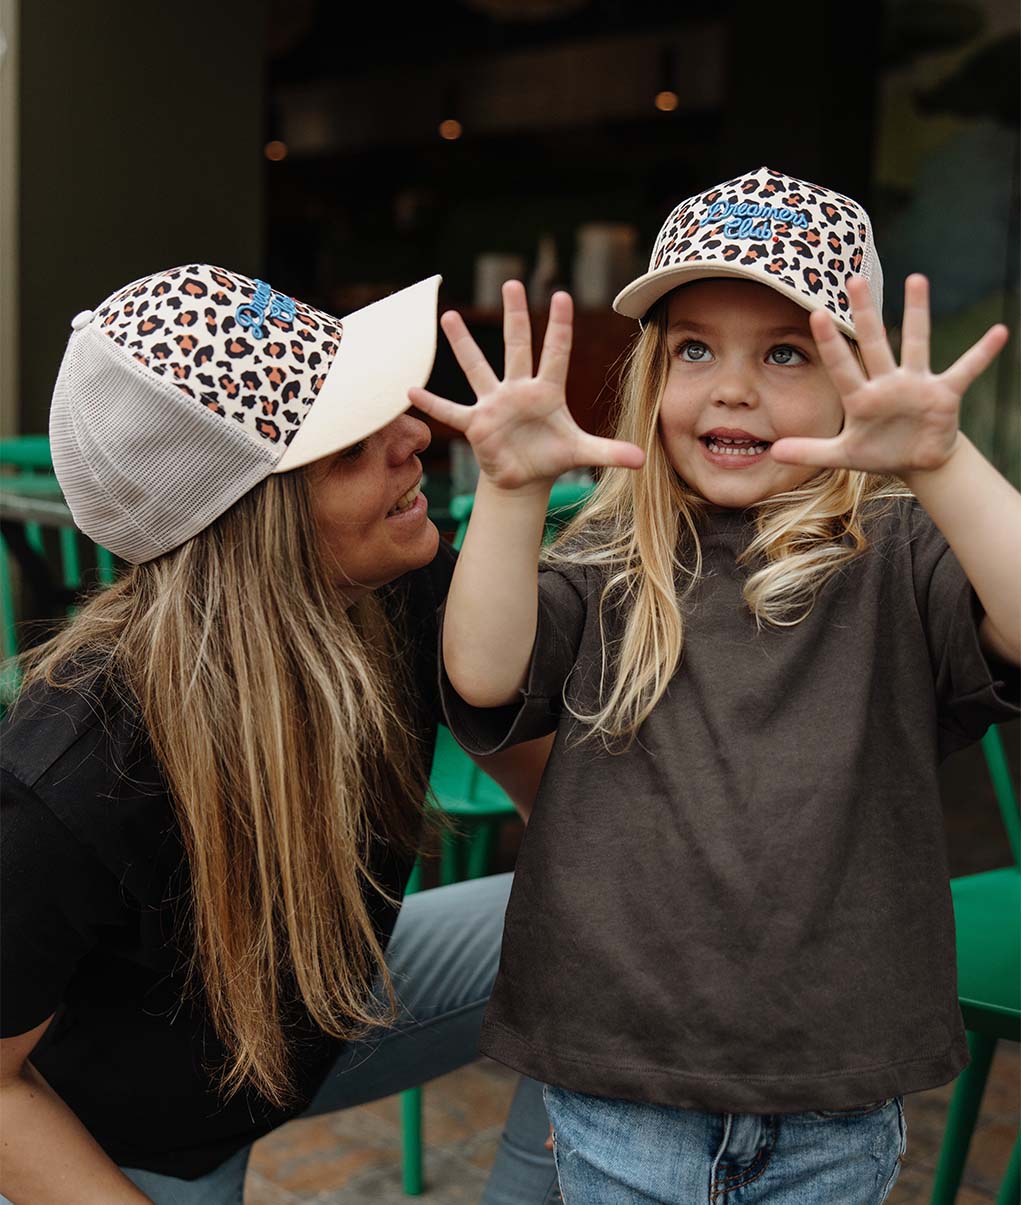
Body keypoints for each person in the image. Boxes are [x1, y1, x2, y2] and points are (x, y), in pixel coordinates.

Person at [409, 166, 1021, 1203]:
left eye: (784, 351)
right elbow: (481, 671)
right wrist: (512, 494)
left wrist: (943, 459)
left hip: (831, 1093)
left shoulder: (897, 555)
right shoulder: (610, 558)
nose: (731, 386)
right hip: (618, 1081)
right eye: (694, 348)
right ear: (653, 378)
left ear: (851, 380)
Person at [0, 264, 559, 1204]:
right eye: (350, 446)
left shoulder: (400, 586)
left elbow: (571, 813)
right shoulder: (73, 769)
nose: (417, 432)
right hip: (136, 1140)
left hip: (315, 1014)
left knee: (606, 927)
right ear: (256, 527)